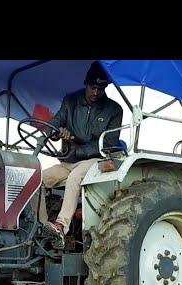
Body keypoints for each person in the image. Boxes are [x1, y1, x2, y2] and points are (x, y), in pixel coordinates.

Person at [39, 61, 123, 248]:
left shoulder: (114, 110)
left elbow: (109, 143)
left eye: (101, 88)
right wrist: (57, 131)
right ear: (86, 84)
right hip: (69, 161)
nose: (96, 92)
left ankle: (61, 225)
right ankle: (43, 227)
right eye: (93, 87)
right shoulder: (70, 101)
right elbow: (53, 124)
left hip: (96, 159)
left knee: (75, 177)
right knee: (38, 179)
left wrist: (78, 149)